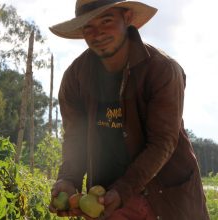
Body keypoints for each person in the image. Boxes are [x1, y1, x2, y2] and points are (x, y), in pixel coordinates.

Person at [48, 0, 209, 219]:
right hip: (106, 198)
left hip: (164, 197)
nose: (98, 33)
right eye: (89, 27)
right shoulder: (75, 78)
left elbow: (163, 141)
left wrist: (123, 190)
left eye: (107, 21)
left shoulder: (162, 70)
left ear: (127, 18)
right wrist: (68, 179)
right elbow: (76, 137)